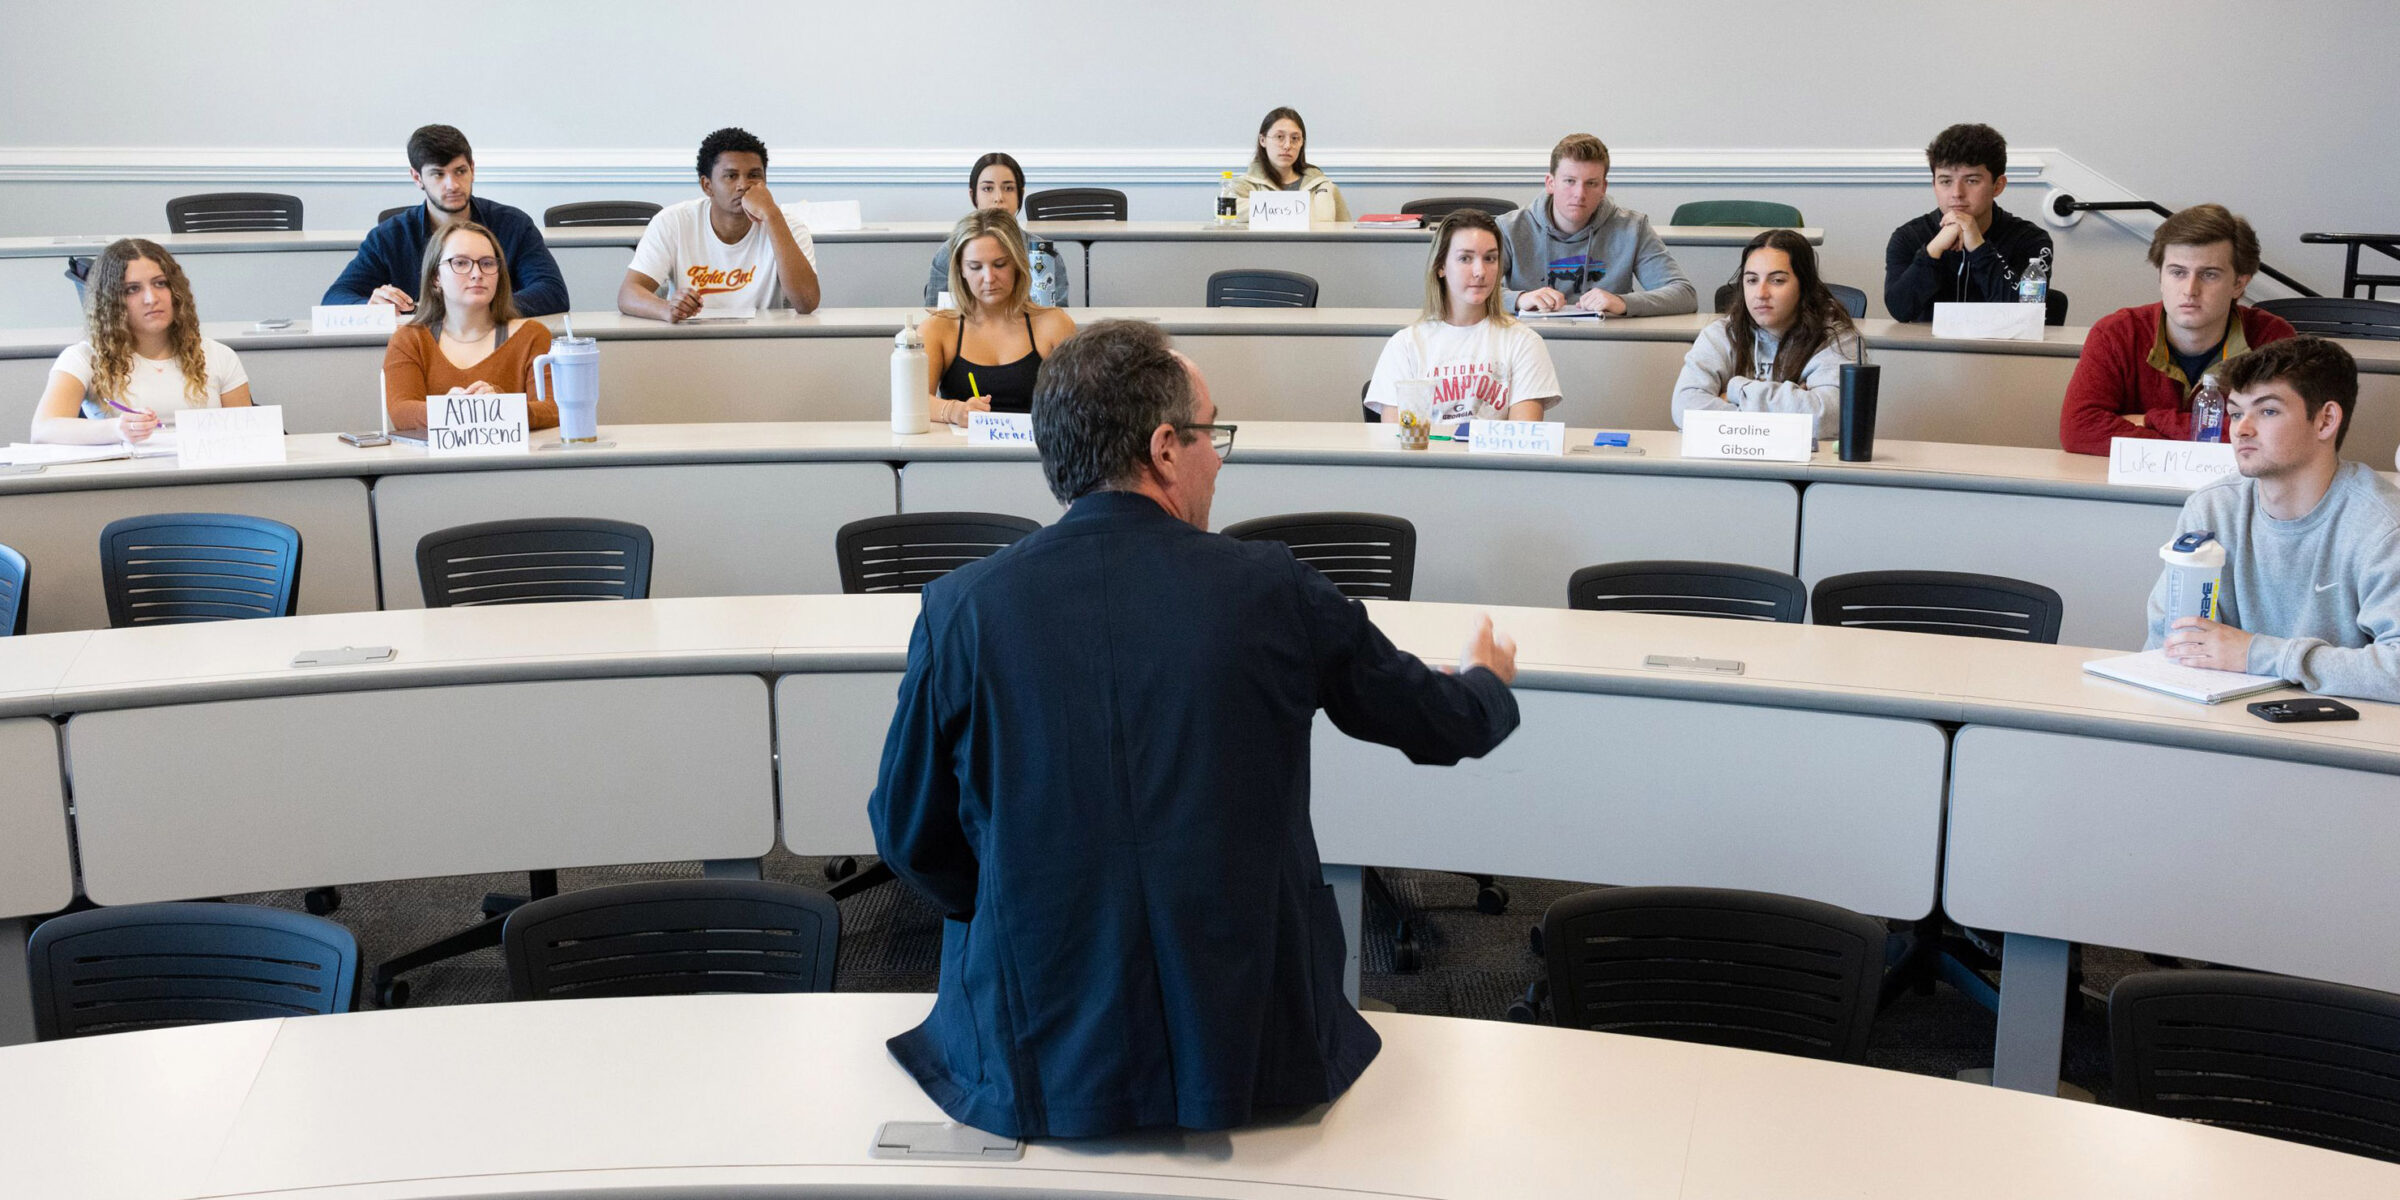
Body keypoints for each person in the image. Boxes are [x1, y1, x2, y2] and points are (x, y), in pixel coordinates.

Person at [869, 318, 1522, 1138]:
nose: (1220, 458)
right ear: (1166, 447)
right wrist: (1487, 686)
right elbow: (1439, 725)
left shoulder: (962, 608)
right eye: (1213, 434)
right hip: (1252, 1045)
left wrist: (1019, 902)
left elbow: (906, 835)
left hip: (1030, 1052)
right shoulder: (1271, 590)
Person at [2146, 336, 2400, 702]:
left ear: (2326, 420)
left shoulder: (2382, 526)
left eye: (2267, 412)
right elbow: (2167, 644)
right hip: (2223, 721)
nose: (2241, 430)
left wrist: (2256, 654)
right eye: (2235, 413)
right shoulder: (2211, 509)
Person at [2058, 204, 2295, 454]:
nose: (2190, 289)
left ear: (2239, 284)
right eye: (2178, 272)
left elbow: (2279, 434)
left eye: (2209, 275)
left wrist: (2150, 420)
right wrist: (2212, 439)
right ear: (2160, 276)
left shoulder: (2273, 339)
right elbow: (2079, 430)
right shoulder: (2117, 333)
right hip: (2134, 488)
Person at [323, 125, 568, 316]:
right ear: (417, 177)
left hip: (492, 341)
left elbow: (552, 291)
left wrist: (478, 307)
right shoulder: (389, 236)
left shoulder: (513, 225)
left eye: (460, 171)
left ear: (473, 168)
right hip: (417, 347)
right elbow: (335, 298)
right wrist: (369, 305)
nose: (452, 185)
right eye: (438, 174)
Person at [32, 238, 252, 444]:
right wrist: (116, 430)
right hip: (123, 479)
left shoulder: (219, 355)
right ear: (111, 301)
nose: (151, 299)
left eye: (160, 284)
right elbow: (42, 430)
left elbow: (249, 435)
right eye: (132, 289)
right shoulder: (84, 357)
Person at [1363, 210, 1562, 424]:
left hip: (1493, 458)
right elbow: (1395, 442)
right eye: (1465, 258)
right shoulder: (1405, 345)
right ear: (1441, 267)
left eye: (1490, 258)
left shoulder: (1524, 342)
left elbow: (1523, 441)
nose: (1480, 271)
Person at [1673, 229, 1866, 438]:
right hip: (1729, 462)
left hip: (1809, 466)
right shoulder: (1719, 334)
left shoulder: (1837, 339)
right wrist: (1794, 405)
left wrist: (1736, 391)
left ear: (1804, 285)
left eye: (1777, 281)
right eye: (1752, 280)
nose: (1761, 294)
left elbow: (1828, 417)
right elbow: (1685, 409)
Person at [618, 127, 820, 321]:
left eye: (754, 175)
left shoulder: (789, 226)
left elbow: (807, 303)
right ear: (707, 186)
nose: (743, 185)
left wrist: (772, 216)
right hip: (691, 341)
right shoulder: (673, 222)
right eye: (731, 176)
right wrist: (667, 308)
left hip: (762, 342)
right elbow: (629, 293)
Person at [380, 222, 556, 433]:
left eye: (488, 263)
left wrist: (500, 405)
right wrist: (452, 410)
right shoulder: (408, 339)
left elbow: (552, 409)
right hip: (434, 464)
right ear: (436, 277)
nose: (477, 273)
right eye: (461, 263)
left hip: (512, 463)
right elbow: (402, 412)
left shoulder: (532, 336)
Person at [1497, 133, 1695, 316]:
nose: (1579, 194)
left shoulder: (1633, 228)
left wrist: (1621, 302)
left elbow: (1684, 295)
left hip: (1609, 344)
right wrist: (1519, 299)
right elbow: (1468, 292)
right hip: (1531, 341)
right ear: (1550, 183)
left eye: (1591, 183)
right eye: (1569, 181)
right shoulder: (1509, 227)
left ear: (1603, 187)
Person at [1882, 123, 2054, 322]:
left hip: (2003, 352)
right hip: (1932, 352)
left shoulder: (2031, 240)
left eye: (1971, 181)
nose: (1956, 193)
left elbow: (2024, 314)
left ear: (1998, 186)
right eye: (1945, 181)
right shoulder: (1908, 237)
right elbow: (1900, 310)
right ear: (1934, 185)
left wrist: (1979, 247)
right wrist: (1933, 250)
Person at [922, 210, 1075, 426]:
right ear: (960, 269)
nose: (989, 278)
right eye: (975, 267)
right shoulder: (938, 329)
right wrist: (954, 411)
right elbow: (913, 400)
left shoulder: (1054, 325)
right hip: (962, 455)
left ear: (1017, 263)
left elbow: (1081, 402)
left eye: (1000, 264)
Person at [922, 153, 1069, 308]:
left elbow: (1058, 317)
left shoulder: (1042, 254)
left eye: (1008, 188)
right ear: (973, 195)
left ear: (1020, 194)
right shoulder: (948, 253)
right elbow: (935, 316)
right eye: (988, 188)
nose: (998, 197)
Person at [1226, 106, 1351, 223]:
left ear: (1302, 142)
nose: (1287, 145)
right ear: (1262, 140)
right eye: (1279, 137)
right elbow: (1225, 216)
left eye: (1295, 138)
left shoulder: (1323, 186)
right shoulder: (1242, 187)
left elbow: (1345, 233)